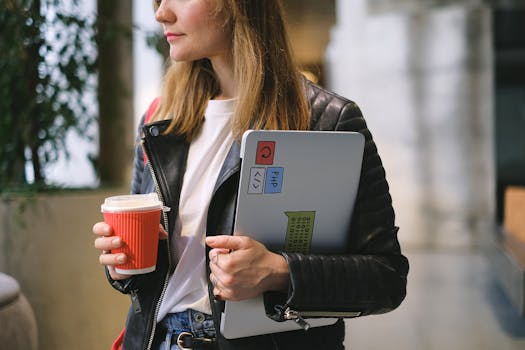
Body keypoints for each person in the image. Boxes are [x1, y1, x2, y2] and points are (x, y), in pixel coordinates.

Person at [93, 0, 409, 349]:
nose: (161, 13)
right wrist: (124, 266)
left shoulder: (328, 121)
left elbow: (386, 277)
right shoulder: (160, 119)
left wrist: (279, 272)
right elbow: (156, 280)